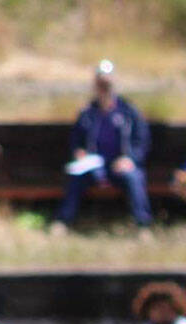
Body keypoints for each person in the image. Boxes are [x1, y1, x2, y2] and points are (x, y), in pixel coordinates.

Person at [50, 60, 153, 234]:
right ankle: (62, 221)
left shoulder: (128, 112)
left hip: (120, 166)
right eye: (100, 83)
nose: (104, 88)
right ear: (95, 85)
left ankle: (143, 226)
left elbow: (141, 140)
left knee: (134, 178)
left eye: (107, 83)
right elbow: (76, 140)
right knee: (75, 178)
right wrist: (79, 153)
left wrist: (130, 159)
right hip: (94, 166)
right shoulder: (87, 113)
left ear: (114, 84)